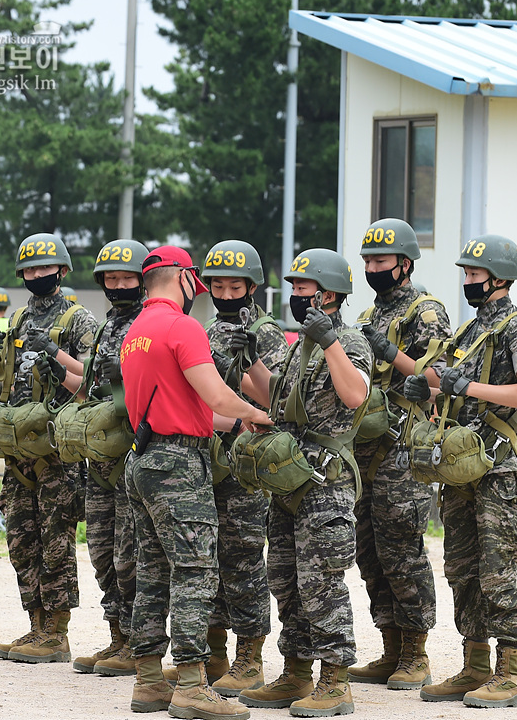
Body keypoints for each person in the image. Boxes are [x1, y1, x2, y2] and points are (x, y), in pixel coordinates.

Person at [120, 245, 272, 720]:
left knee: (151, 570)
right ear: (183, 278)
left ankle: (147, 681)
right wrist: (254, 414)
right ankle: (190, 683)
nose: (202, 296)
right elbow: (216, 395)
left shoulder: (136, 330)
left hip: (143, 459)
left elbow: (189, 407)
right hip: (178, 467)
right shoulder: (181, 326)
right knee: (195, 570)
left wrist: (232, 422)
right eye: (199, 285)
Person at [404, 233, 517, 708]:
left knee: (497, 569)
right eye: (465, 273)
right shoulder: (466, 332)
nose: (468, 280)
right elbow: (440, 379)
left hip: (498, 469)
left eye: (475, 274)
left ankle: (510, 673)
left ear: (500, 278)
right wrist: (425, 386)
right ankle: (475, 665)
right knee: (462, 568)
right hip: (461, 469)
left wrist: (473, 388)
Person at [237, 249, 372, 717]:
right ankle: (296, 671)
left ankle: (336, 682)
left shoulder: (350, 342)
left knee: (322, 582)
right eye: (293, 288)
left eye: (302, 288)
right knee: (286, 580)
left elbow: (355, 395)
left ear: (329, 293)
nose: (296, 295)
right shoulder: (299, 346)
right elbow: (277, 398)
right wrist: (249, 362)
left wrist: (331, 343)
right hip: (289, 478)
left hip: (325, 483)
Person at [0, 233, 98, 664]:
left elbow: (93, 384)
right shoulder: (18, 319)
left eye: (43, 269)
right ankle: (36, 625)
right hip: (19, 452)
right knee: (21, 539)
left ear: (61, 271)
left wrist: (57, 359)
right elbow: (3, 383)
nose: (35, 276)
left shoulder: (79, 321)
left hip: (57, 453)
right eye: (29, 270)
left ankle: (58, 632)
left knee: (56, 541)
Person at [350, 219, 451, 691]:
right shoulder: (370, 313)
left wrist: (388, 350)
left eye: (381, 261)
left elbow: (437, 379)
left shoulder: (426, 311)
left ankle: (416, 652)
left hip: (403, 450)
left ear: (404, 264)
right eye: (368, 261)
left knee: (401, 550)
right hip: (363, 447)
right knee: (368, 551)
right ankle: (390, 647)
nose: (372, 268)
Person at [193, 240, 289, 696]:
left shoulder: (266, 333)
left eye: (235, 285)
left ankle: (249, 658)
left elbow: (282, 403)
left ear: (252, 286)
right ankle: (212, 654)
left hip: (248, 464)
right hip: (207, 457)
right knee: (207, 558)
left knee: (244, 560)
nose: (226, 293)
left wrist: (249, 361)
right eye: (217, 285)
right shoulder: (207, 328)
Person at [72, 239, 149, 677]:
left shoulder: (146, 324)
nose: (118, 285)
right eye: (111, 278)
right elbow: (90, 387)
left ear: (142, 280)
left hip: (132, 459)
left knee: (130, 557)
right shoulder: (105, 327)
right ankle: (118, 636)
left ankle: (141, 645)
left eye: (127, 277)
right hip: (100, 461)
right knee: (101, 551)